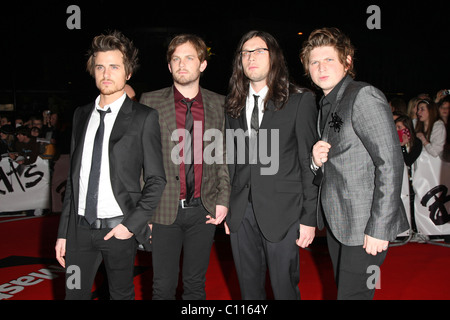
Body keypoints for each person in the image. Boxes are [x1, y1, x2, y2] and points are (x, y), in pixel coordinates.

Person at [54, 30, 166, 300]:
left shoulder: (144, 117)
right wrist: (64, 233)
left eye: (114, 66)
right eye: (100, 66)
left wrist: (131, 225)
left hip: (118, 230)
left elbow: (156, 179)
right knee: (73, 294)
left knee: (120, 295)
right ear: (93, 70)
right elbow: (74, 179)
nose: (106, 73)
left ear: (128, 73)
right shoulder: (81, 115)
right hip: (79, 230)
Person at [300, 27, 409, 300]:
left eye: (329, 60)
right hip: (341, 225)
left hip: (365, 226)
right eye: (314, 62)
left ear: (347, 61)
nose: (320, 67)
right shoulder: (326, 103)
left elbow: (390, 163)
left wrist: (379, 227)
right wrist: (315, 162)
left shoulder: (363, 96)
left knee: (353, 295)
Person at [224, 30, 318, 300]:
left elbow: (308, 163)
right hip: (241, 213)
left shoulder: (300, 101)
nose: (251, 57)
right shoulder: (233, 105)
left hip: (283, 212)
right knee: (249, 290)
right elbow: (232, 160)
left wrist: (308, 218)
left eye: (259, 51)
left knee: (284, 288)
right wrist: (228, 206)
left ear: (274, 57)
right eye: (245, 53)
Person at [139, 34, 230, 300]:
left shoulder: (220, 104)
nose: (181, 64)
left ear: (202, 64)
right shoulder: (150, 101)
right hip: (163, 210)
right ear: (169, 66)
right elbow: (142, 161)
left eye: (189, 58)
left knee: (195, 286)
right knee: (162, 287)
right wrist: (145, 211)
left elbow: (223, 157)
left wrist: (223, 200)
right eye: (175, 59)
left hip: (204, 209)